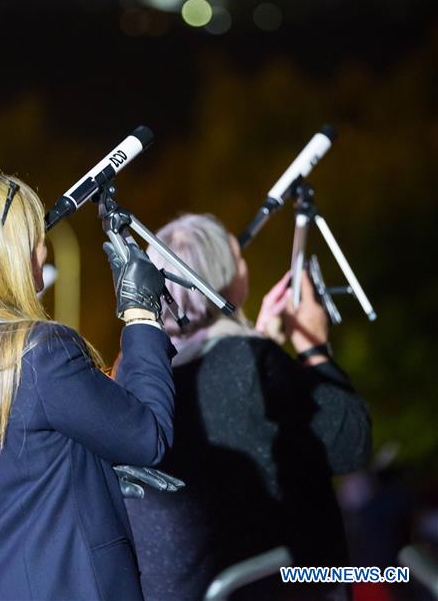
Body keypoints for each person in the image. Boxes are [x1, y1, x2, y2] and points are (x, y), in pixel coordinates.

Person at [0, 169, 176, 601]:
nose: (43, 249)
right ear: (7, 255)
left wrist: (91, 468)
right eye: (33, 238)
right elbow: (150, 436)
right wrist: (141, 316)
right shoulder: (41, 353)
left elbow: (14, 464)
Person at [123, 213, 372, 601]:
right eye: (238, 258)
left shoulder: (139, 380)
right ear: (219, 281)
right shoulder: (250, 362)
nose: (245, 265)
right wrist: (313, 346)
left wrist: (256, 340)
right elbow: (350, 442)